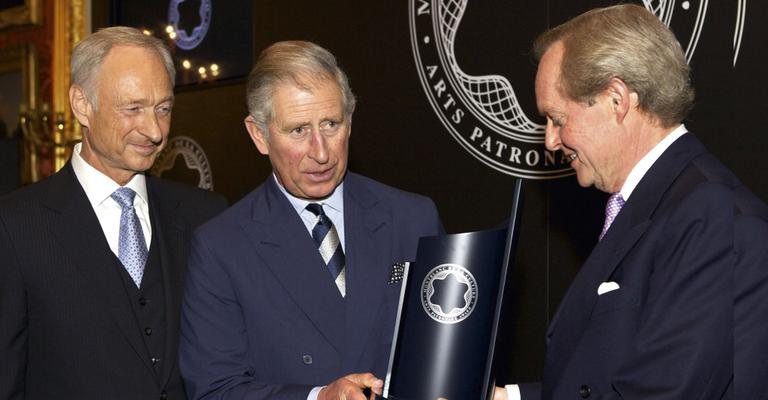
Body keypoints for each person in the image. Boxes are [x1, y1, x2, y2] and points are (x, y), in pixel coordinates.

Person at [494, 4, 768, 400]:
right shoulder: (666, 203)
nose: (550, 141)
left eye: (556, 118)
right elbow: (608, 378)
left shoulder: (709, 216)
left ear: (617, 99)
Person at [178, 40, 443, 400]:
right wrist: (318, 397)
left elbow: (444, 350)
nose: (321, 152)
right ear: (259, 135)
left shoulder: (411, 218)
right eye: (298, 130)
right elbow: (216, 390)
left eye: (331, 124)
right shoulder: (221, 247)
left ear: (350, 122)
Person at [0, 27, 227, 399]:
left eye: (164, 109)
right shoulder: (14, 227)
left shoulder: (205, 215)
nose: (154, 130)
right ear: (82, 104)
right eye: (133, 108)